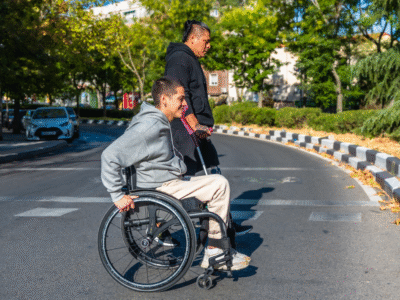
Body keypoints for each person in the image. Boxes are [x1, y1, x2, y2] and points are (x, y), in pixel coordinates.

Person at [101, 77, 250, 271]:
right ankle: (215, 250)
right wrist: (117, 195)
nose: (185, 104)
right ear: (164, 99)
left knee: (215, 181)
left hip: (165, 182)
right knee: (219, 184)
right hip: (162, 188)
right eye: (180, 99)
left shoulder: (157, 122)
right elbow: (110, 155)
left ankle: (215, 245)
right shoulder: (149, 126)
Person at [164, 20, 252, 236]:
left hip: (196, 131)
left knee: (212, 173)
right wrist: (194, 124)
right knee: (193, 184)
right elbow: (178, 95)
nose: (209, 45)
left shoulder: (189, 59)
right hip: (186, 130)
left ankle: (223, 226)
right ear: (193, 38)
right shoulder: (179, 59)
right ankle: (161, 225)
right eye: (206, 40)